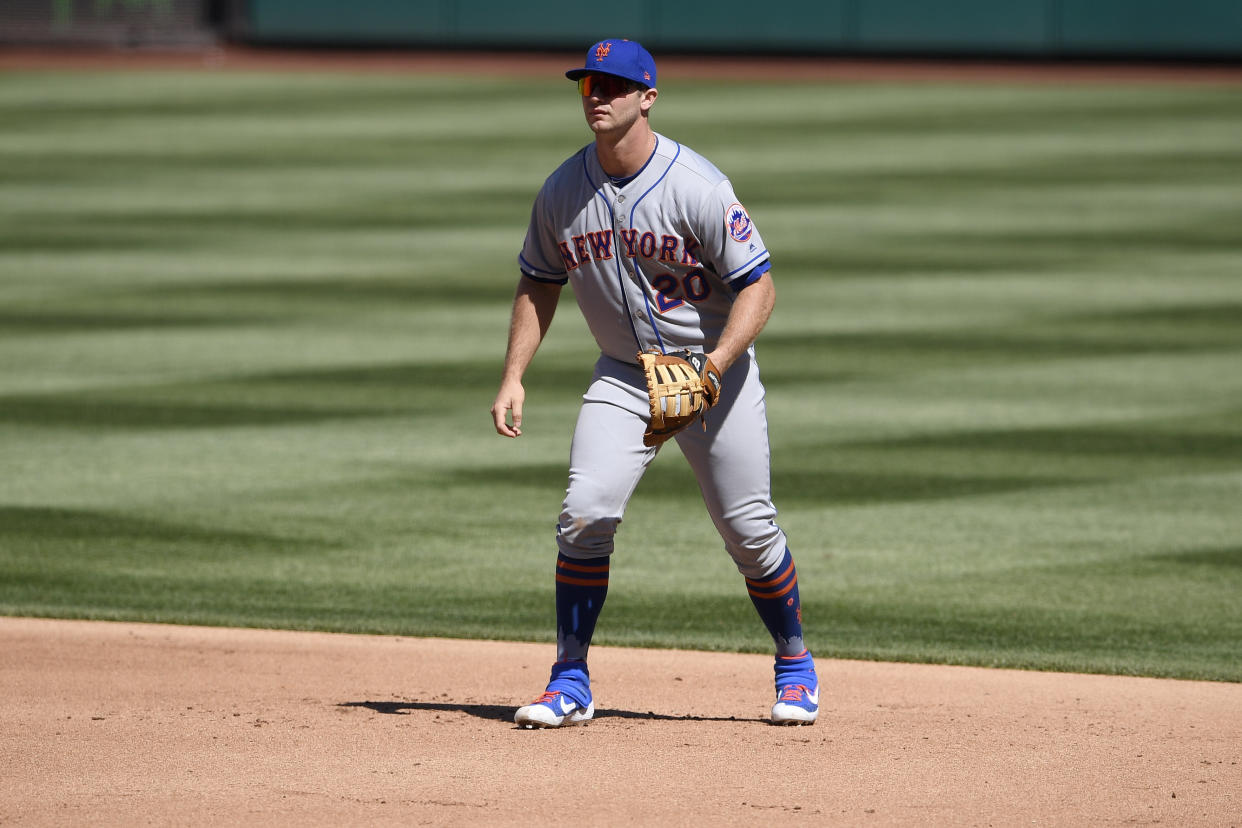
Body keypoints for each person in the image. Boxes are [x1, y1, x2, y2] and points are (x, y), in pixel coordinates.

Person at [490, 39, 817, 727]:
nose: (597, 96)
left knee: (749, 533)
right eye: (589, 85)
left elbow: (760, 286)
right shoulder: (561, 190)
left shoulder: (695, 185)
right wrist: (514, 374)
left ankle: (794, 665)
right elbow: (538, 280)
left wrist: (716, 366)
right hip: (625, 377)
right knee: (584, 513)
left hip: (709, 374)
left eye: (613, 85)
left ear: (647, 98)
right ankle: (569, 679)